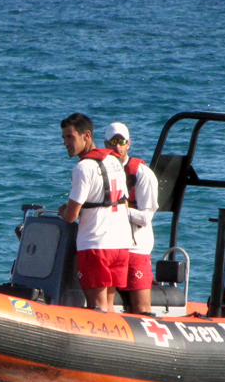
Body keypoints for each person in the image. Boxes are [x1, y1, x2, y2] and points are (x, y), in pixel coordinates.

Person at [58, 113, 133, 312]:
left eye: (70, 137)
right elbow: (124, 202)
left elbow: (71, 216)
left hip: (95, 245)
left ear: (86, 135)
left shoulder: (83, 168)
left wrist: (62, 212)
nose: (65, 143)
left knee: (97, 307)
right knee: (108, 306)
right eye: (64, 138)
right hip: (120, 244)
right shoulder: (115, 161)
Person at [104, 122, 160, 314]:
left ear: (129, 144)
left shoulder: (144, 175)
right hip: (109, 247)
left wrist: (120, 209)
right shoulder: (100, 171)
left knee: (141, 307)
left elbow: (145, 218)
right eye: (113, 142)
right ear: (105, 144)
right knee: (104, 303)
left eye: (121, 142)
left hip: (136, 249)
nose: (117, 146)